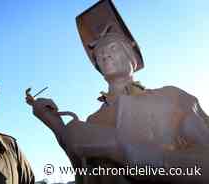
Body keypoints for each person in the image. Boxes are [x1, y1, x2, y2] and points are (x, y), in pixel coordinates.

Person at [26, 0, 209, 183]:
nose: (104, 54)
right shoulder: (93, 121)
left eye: (113, 47)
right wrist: (58, 127)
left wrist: (118, 146)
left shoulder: (172, 98)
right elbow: (88, 177)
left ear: (132, 59)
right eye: (99, 54)